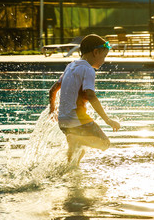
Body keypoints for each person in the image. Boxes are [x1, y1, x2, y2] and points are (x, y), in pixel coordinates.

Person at [49, 34, 121, 166]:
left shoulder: (70, 66)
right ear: (95, 52)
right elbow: (91, 96)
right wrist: (108, 120)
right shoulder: (88, 69)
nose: (104, 61)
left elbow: (52, 90)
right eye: (104, 56)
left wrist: (52, 110)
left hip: (63, 120)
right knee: (104, 143)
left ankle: (69, 173)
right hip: (77, 118)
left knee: (78, 152)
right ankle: (76, 140)